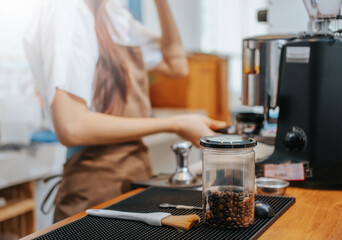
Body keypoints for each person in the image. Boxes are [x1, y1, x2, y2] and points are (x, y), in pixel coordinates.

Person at [23, 0, 226, 222]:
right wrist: (175, 123)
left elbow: (176, 65)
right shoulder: (68, 11)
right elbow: (72, 127)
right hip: (94, 184)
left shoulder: (114, 16)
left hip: (136, 175)